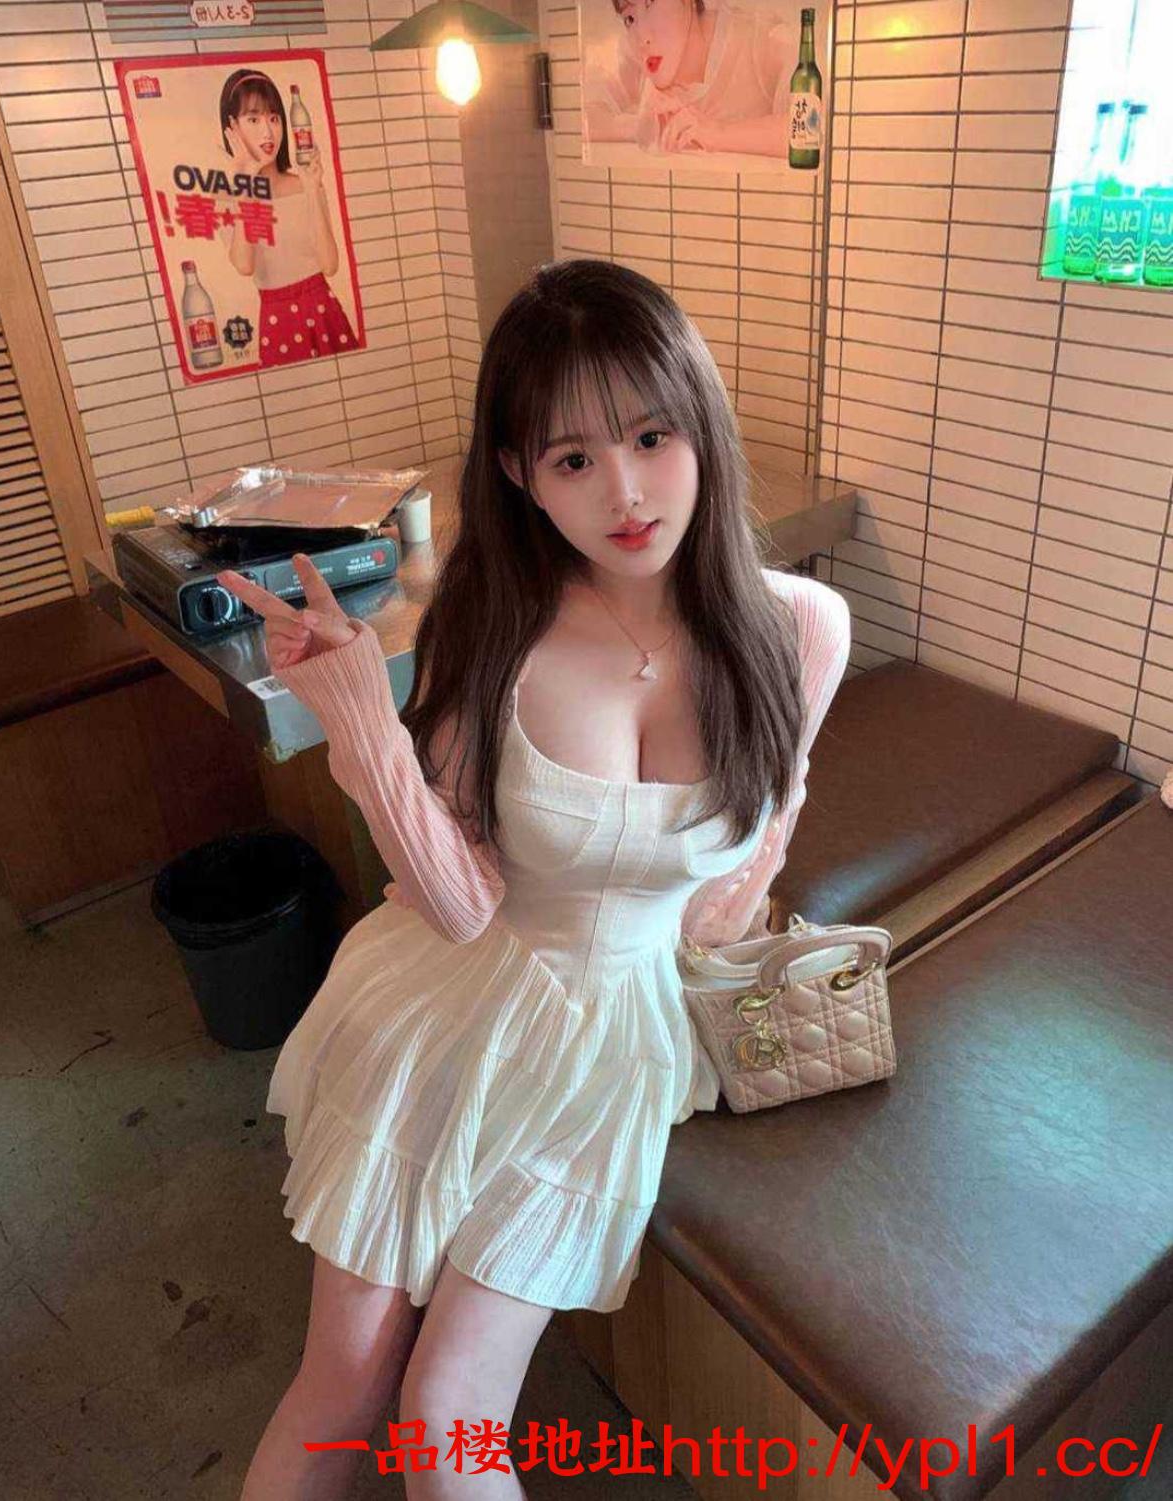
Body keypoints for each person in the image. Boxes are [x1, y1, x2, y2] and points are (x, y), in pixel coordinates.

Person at [220, 258, 850, 1500]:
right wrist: (362, 719)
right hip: (447, 1003)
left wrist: (730, 960)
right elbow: (463, 903)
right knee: (344, 1374)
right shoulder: (495, 627)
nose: (627, 492)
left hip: (613, 1042)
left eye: (652, 437)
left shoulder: (800, 630)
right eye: (573, 458)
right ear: (518, 471)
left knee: (443, 1410)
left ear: (701, 422)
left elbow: (738, 878)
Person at [217, 67, 357, 366]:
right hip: (278, 319)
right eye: (253, 119)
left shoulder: (304, 183)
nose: (268, 132)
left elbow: (330, 265)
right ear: (232, 126)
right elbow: (244, 265)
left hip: (324, 310)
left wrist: (312, 188)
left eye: (274, 118)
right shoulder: (228, 199)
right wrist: (246, 187)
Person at [585, 0, 793, 155]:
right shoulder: (636, 56)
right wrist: (642, 127)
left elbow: (806, 129)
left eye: (650, 3)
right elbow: (584, 118)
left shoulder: (760, 38)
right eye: (630, 18)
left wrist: (716, 132)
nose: (642, 37)